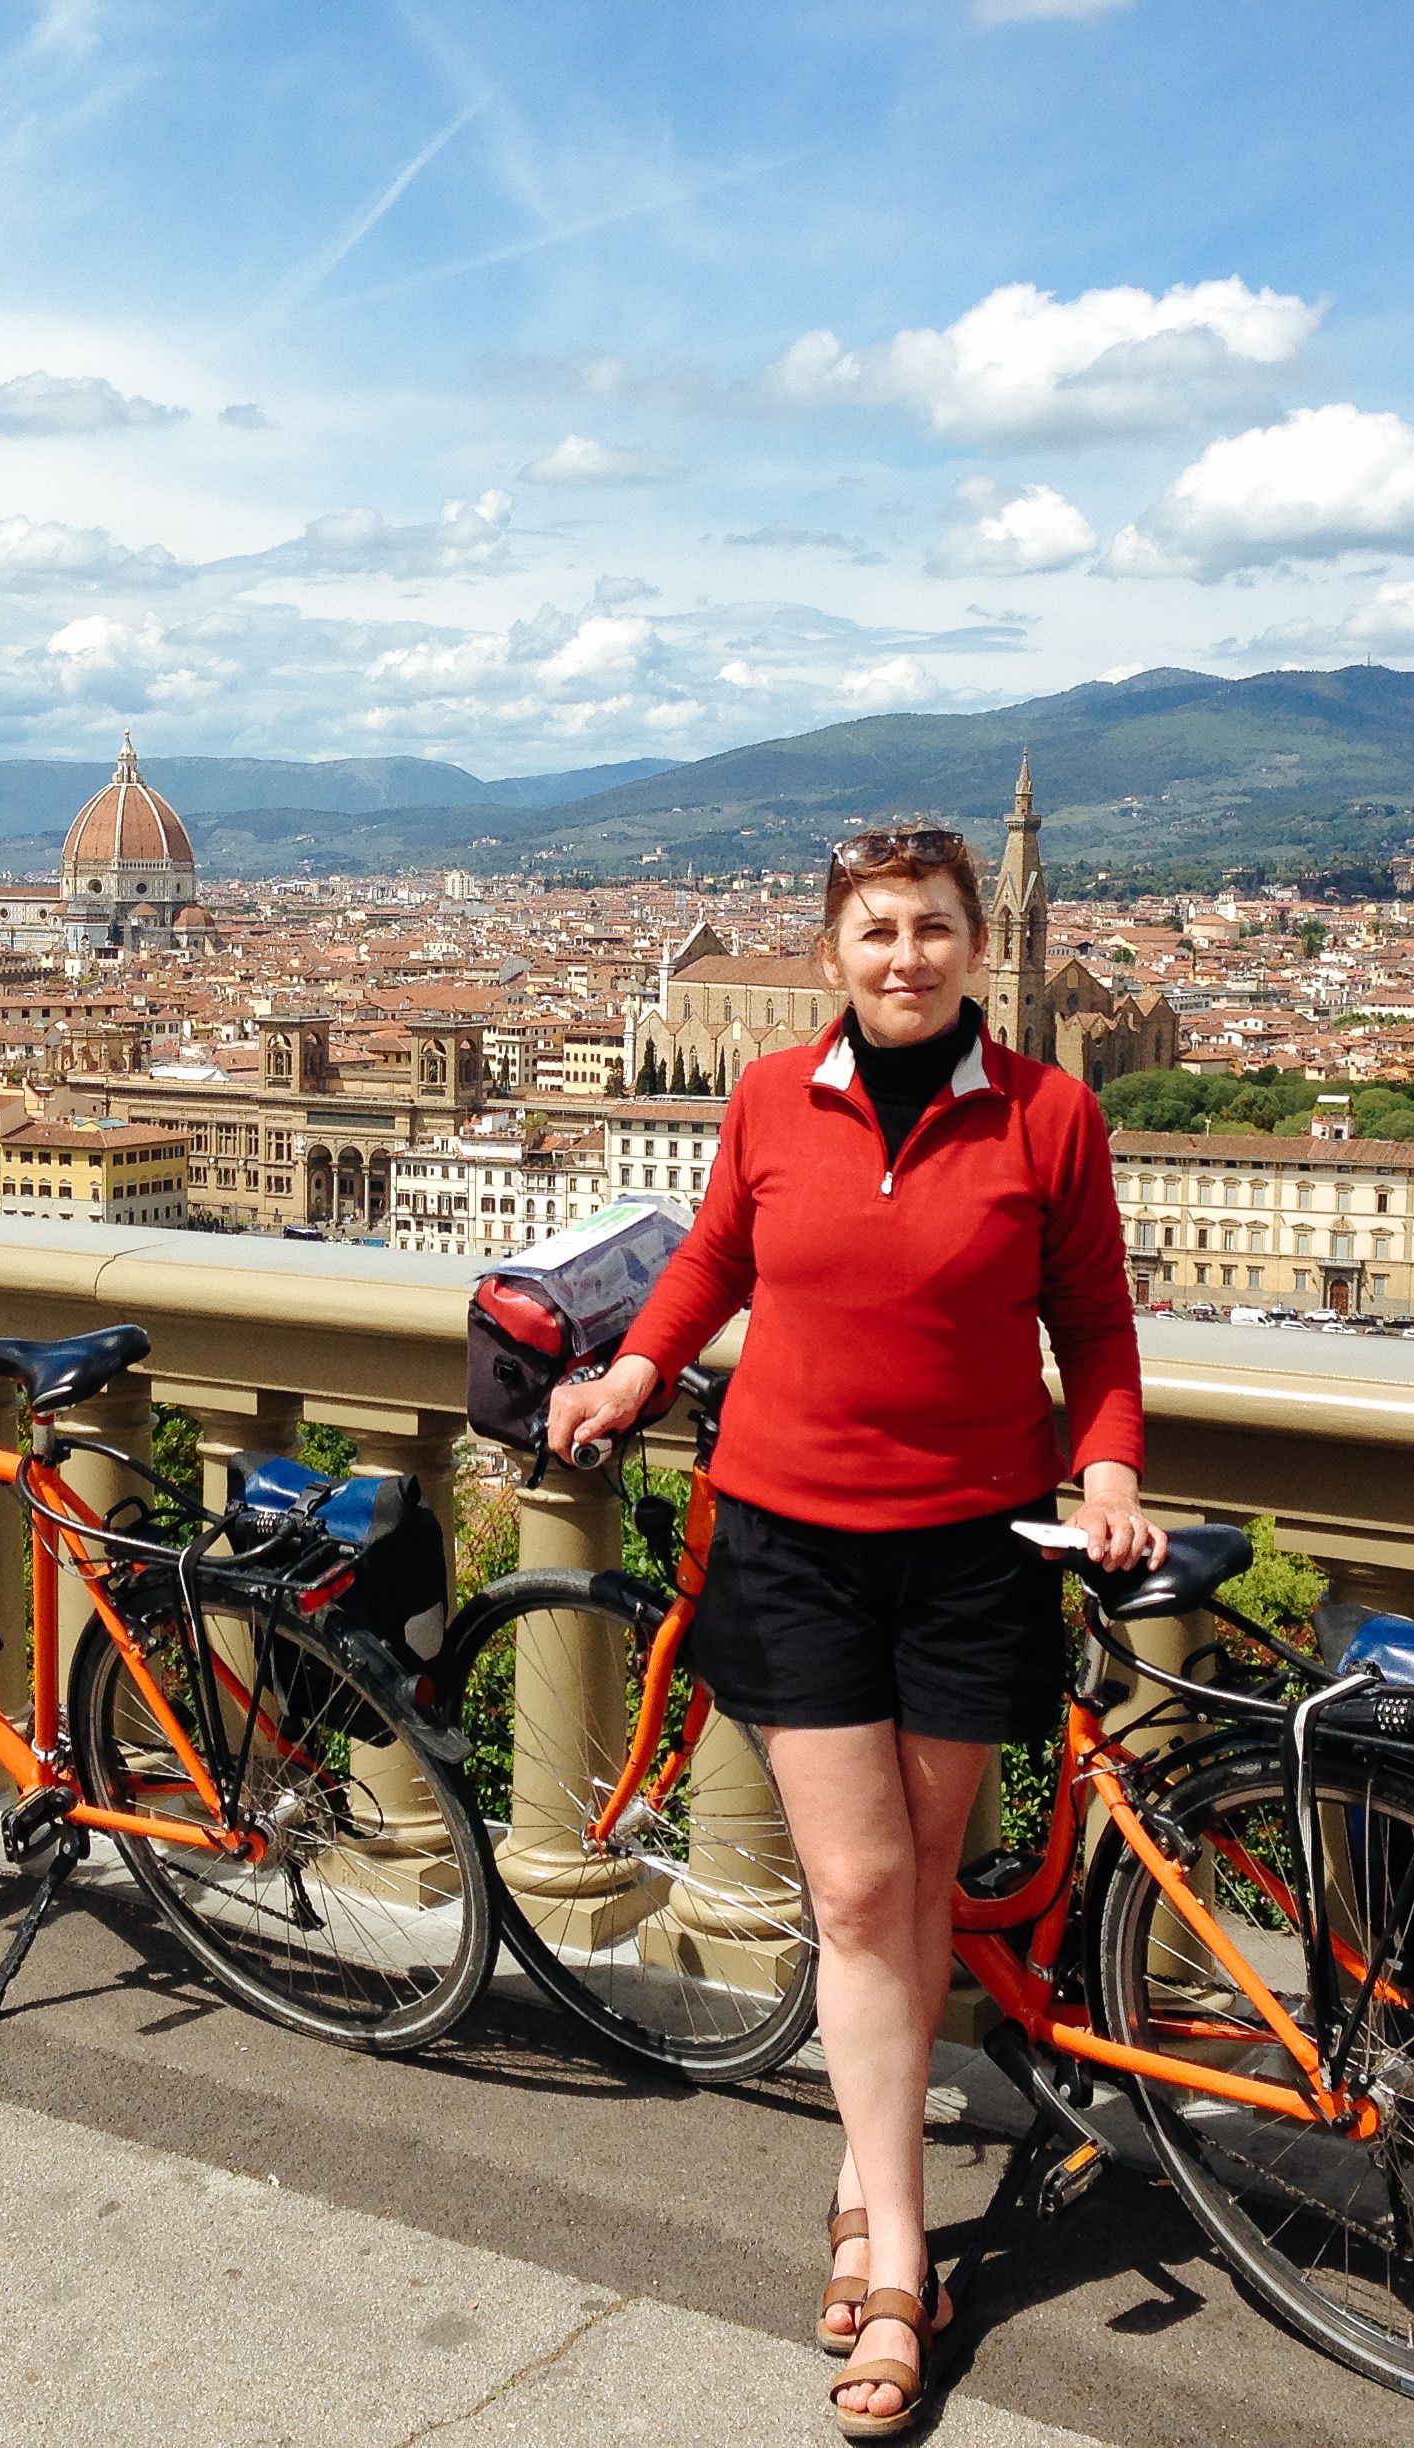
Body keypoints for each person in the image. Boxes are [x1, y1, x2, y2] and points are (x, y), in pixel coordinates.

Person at [548, 822, 1164, 2441]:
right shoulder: (767, 1096)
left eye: (933, 927)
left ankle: (860, 2171)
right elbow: (714, 1257)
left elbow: (1095, 1322)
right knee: (861, 1887)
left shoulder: (1049, 1112)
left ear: (981, 943)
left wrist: (1106, 1468)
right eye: (878, 930)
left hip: (971, 1546)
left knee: (916, 1880)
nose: (906, 955)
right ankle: (902, 2261)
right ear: (833, 954)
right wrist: (635, 1368)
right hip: (792, 1541)